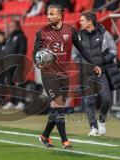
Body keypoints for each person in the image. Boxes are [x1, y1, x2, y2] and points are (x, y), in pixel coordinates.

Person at [33, 5, 102, 148]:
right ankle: (65, 140)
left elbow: (81, 48)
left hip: (63, 74)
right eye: (48, 14)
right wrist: (38, 61)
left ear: (60, 16)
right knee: (58, 103)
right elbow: (35, 53)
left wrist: (93, 64)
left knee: (59, 106)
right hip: (49, 73)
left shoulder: (70, 31)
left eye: (52, 14)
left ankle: (45, 136)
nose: (49, 17)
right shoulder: (41, 32)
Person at [73, 11, 120, 136]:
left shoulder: (105, 34)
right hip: (86, 73)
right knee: (89, 101)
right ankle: (93, 128)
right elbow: (74, 55)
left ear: (90, 22)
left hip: (102, 73)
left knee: (106, 100)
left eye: (82, 20)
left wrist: (101, 62)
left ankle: (101, 122)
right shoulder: (78, 36)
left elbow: (113, 51)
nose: (80, 22)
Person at [2, 20, 27, 110]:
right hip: (8, 64)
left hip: (17, 63)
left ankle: (21, 102)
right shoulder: (9, 37)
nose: (11, 28)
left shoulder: (21, 37)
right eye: (10, 26)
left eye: (12, 26)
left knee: (20, 83)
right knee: (9, 83)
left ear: (17, 26)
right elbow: (6, 51)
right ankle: (11, 102)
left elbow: (22, 50)